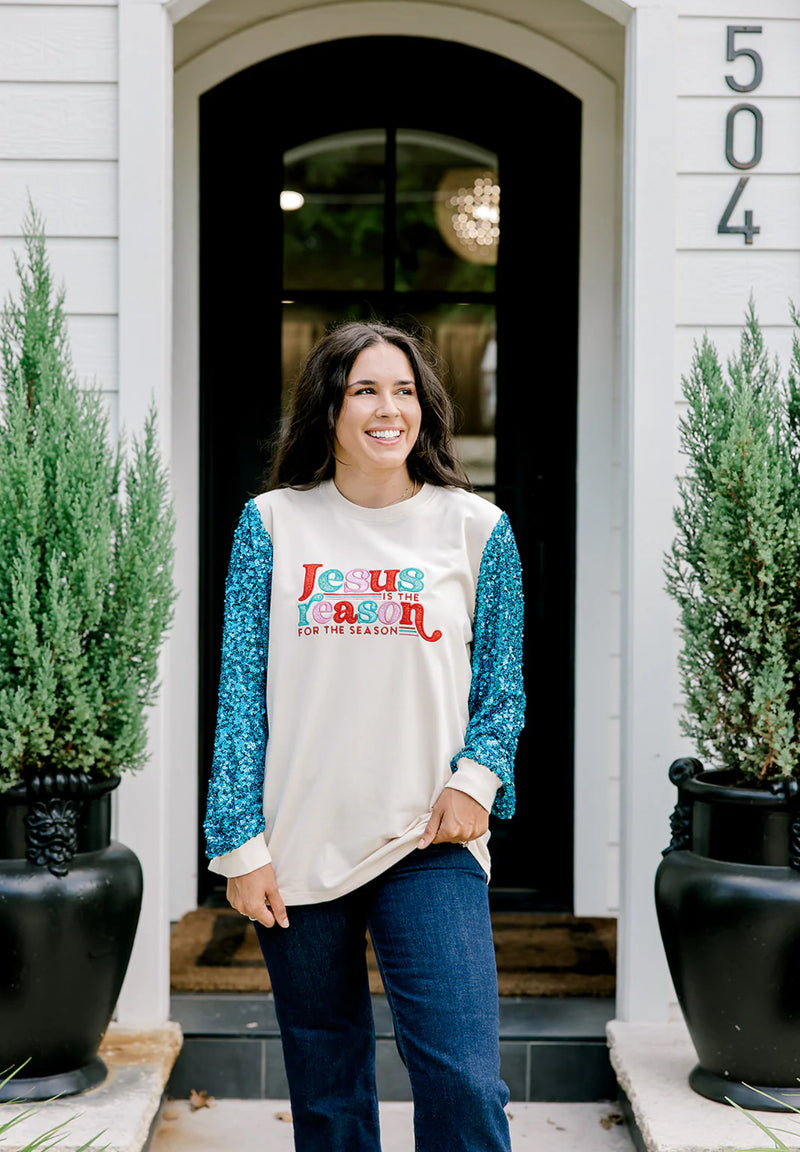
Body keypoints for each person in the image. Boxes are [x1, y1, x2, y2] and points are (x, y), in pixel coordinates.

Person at [204, 320, 525, 1152]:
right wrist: (238, 844)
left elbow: (502, 685)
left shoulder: (476, 529)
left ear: (425, 408)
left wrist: (477, 780)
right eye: (365, 390)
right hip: (299, 840)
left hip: (427, 837)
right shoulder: (272, 524)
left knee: (461, 1076)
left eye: (405, 391)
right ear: (330, 408)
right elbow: (240, 690)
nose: (389, 409)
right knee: (327, 1087)